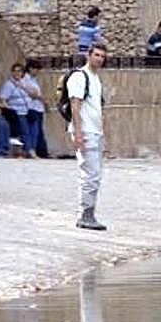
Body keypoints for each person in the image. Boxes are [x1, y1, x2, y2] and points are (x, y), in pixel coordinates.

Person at [69, 43, 108, 230]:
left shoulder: (96, 79)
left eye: (102, 56)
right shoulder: (79, 76)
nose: (99, 59)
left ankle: (88, 213)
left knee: (95, 174)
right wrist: (78, 133)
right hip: (86, 132)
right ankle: (85, 215)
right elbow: (75, 105)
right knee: (90, 175)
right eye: (97, 55)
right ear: (89, 55)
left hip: (95, 131)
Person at [0, 63, 36, 157]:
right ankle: (30, 151)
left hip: (27, 110)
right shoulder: (8, 85)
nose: (17, 73)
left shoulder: (24, 82)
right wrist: (9, 110)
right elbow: (3, 99)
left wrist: (23, 87)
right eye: (15, 71)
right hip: (17, 111)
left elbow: (34, 95)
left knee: (31, 131)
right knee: (24, 132)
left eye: (19, 71)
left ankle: (26, 150)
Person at [20, 60, 49, 158]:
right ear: (30, 69)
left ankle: (40, 150)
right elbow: (33, 94)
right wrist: (43, 100)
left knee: (38, 130)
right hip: (32, 107)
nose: (37, 71)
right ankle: (39, 151)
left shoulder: (33, 79)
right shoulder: (25, 79)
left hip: (38, 108)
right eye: (35, 69)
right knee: (35, 130)